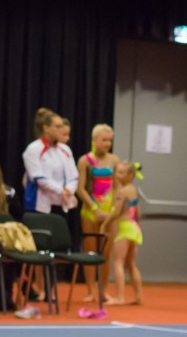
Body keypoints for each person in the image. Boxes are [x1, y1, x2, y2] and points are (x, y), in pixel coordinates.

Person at [75, 124, 120, 303]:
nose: (108, 144)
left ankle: (104, 290)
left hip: (109, 213)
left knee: (106, 254)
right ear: (94, 140)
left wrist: (114, 210)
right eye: (104, 140)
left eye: (110, 140)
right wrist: (95, 208)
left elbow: (117, 187)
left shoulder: (114, 160)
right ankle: (90, 290)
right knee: (90, 252)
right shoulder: (85, 160)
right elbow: (80, 189)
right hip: (90, 211)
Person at [101, 161, 143, 306]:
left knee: (118, 262)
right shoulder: (133, 190)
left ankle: (120, 297)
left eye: (121, 173)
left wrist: (105, 224)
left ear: (130, 175)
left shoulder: (122, 191)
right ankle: (138, 296)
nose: (117, 175)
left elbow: (116, 211)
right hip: (134, 227)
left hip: (125, 228)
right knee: (131, 264)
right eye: (117, 172)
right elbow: (138, 213)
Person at [23, 108, 78, 218]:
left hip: (62, 203)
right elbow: (38, 178)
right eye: (58, 126)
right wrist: (61, 190)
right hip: (39, 206)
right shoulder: (33, 149)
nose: (62, 130)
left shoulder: (65, 149)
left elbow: (74, 176)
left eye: (62, 126)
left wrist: (69, 190)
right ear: (46, 128)